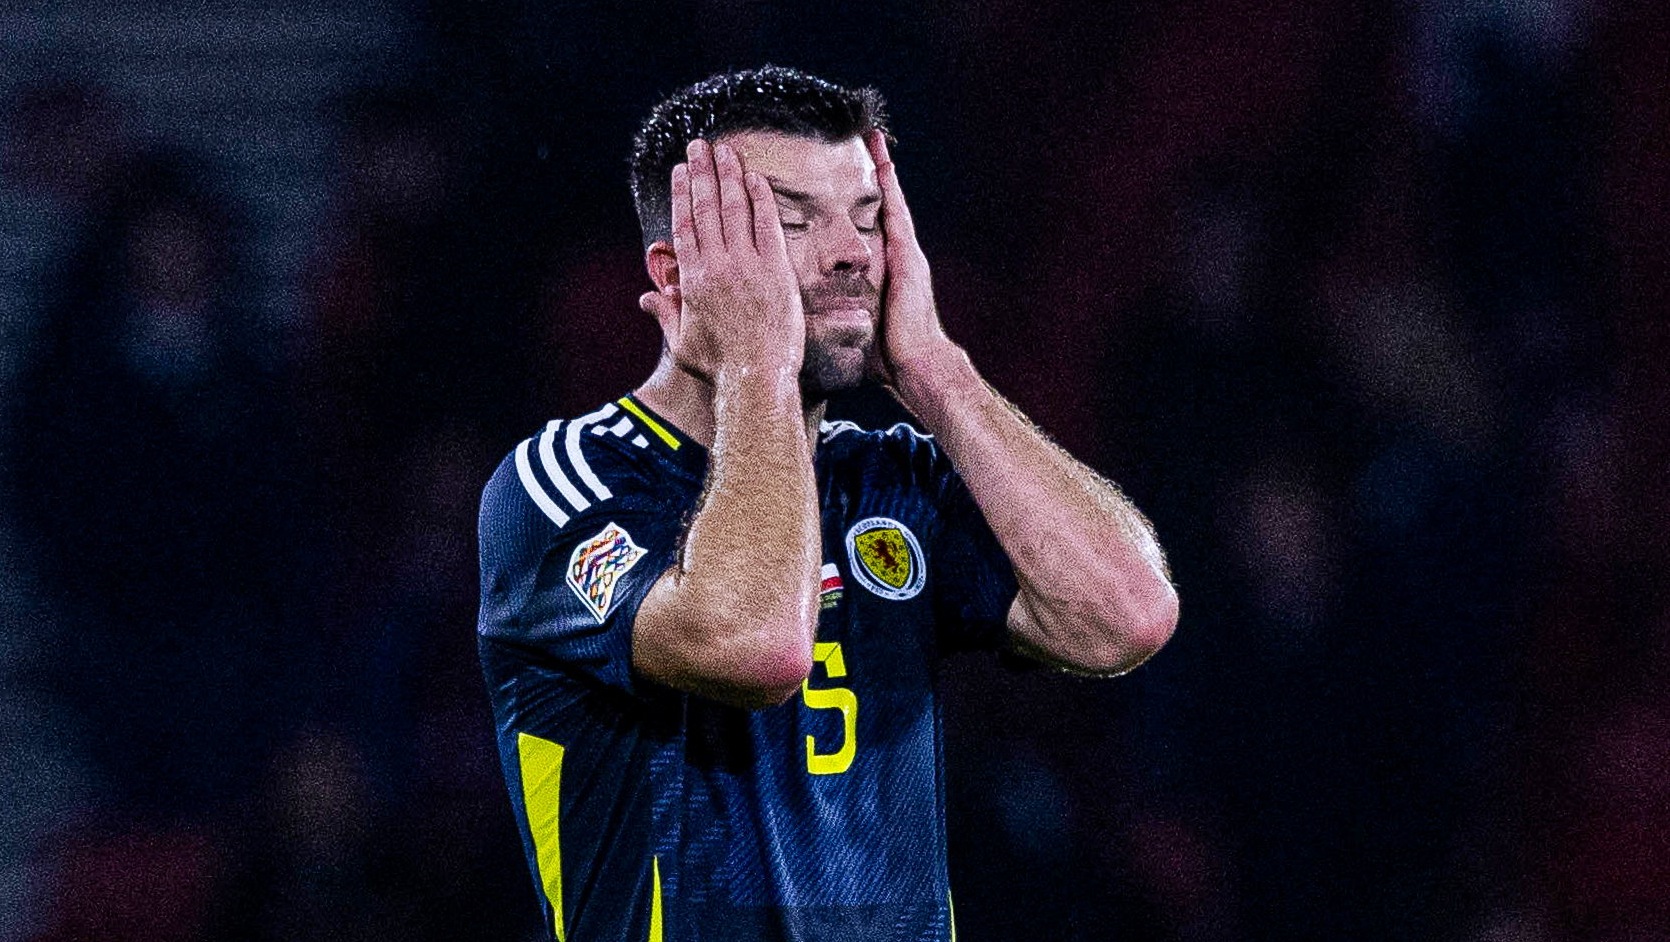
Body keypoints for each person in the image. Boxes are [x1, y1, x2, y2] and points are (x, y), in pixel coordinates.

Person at [477, 65, 1179, 942]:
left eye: (868, 218)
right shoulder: (564, 483)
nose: (850, 253)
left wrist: (937, 371)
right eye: (792, 223)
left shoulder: (893, 479)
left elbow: (1127, 617)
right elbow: (760, 646)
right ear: (678, 272)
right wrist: (757, 366)